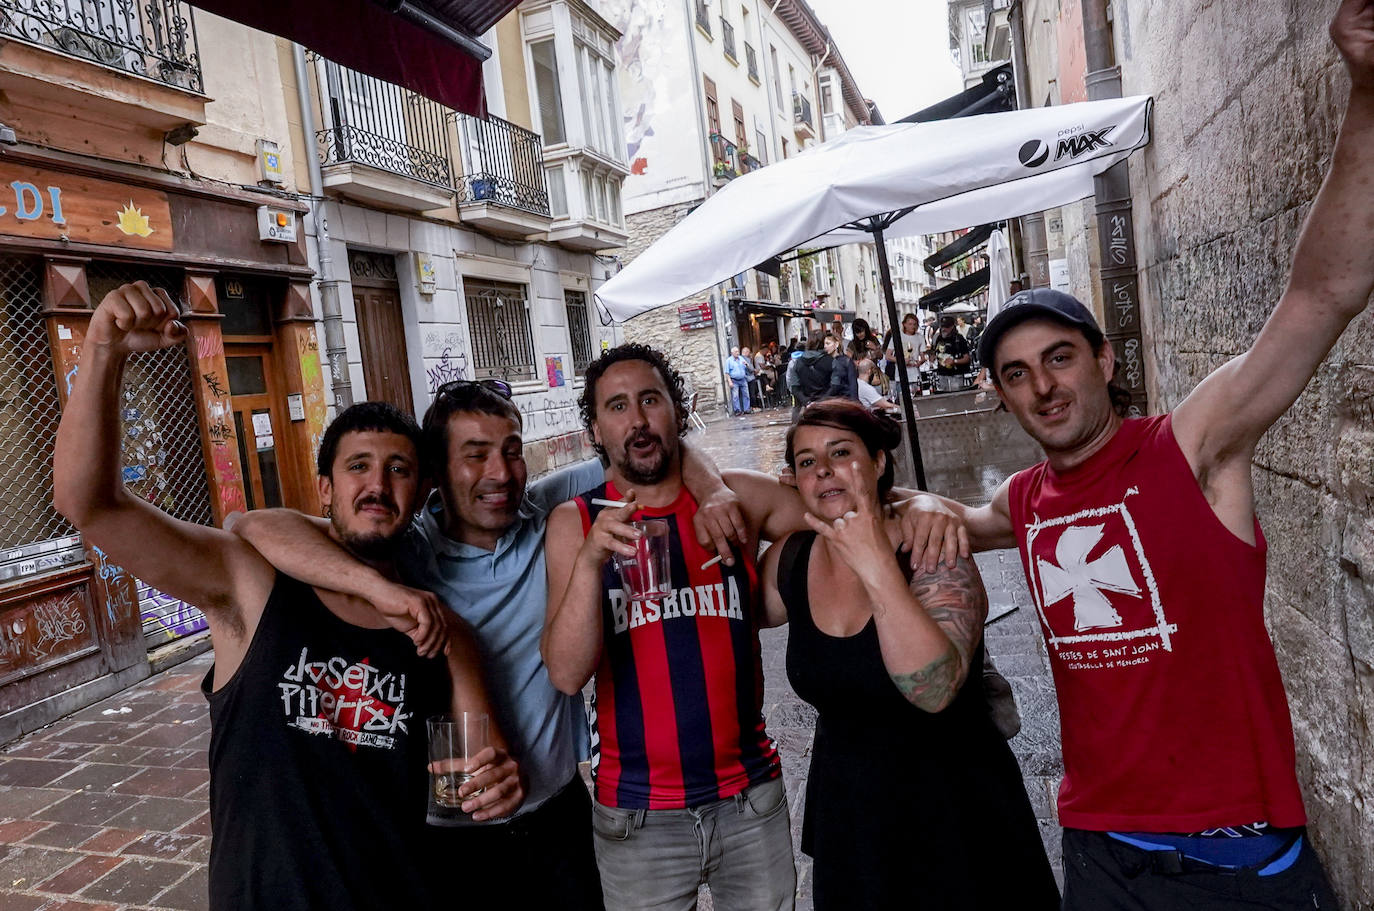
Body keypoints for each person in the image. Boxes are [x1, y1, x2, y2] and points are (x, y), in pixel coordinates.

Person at [937, 7, 1374, 900]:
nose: (1043, 387)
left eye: (1060, 357)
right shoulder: (1023, 503)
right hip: (1100, 855)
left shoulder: (1194, 445)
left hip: (1237, 858)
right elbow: (949, 521)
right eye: (1016, 374)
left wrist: (1367, 92)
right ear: (1002, 393)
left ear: (1104, 359)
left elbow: (1324, 292)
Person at [52, 284, 524, 910]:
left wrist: (495, 785)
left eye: (399, 469)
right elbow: (90, 505)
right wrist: (104, 348)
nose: (377, 484)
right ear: (324, 490)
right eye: (358, 466)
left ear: (422, 493)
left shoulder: (442, 632)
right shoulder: (251, 588)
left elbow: (469, 781)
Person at [232, 379, 748, 909]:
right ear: (434, 476)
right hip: (449, 833)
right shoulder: (403, 548)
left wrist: (713, 491)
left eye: (511, 451)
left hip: (558, 817)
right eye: (475, 456)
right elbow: (254, 524)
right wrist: (378, 587)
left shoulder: (548, 514)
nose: (501, 474)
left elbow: (649, 452)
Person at [541, 344, 967, 911]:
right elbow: (568, 675)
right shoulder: (577, 523)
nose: (638, 420)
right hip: (637, 814)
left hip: (751, 801)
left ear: (678, 410)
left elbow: (846, 501)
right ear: (595, 427)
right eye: (617, 407)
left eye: (651, 400)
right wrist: (593, 561)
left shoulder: (740, 500)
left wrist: (923, 507)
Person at [759, 400, 1058, 909]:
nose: (824, 470)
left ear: (878, 462)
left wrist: (876, 560)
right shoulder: (791, 557)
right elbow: (722, 494)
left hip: (958, 818)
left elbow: (934, 690)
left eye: (840, 452)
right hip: (852, 821)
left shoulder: (936, 549)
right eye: (807, 461)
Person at [793, 332, 834, 409]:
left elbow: (795, 388)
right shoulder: (831, 360)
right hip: (828, 404)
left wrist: (807, 402)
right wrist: (823, 400)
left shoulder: (798, 362)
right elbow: (835, 385)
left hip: (809, 406)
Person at [931, 315, 973, 380]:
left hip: (956, 374)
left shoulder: (959, 338)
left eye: (947, 327)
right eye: (942, 326)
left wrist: (954, 361)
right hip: (942, 374)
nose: (944, 329)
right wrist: (933, 357)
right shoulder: (939, 338)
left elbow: (967, 358)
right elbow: (935, 352)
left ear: (952, 326)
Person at [825, 335, 859, 400]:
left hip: (845, 399)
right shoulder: (825, 361)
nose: (825, 346)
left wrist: (854, 401)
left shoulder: (846, 361)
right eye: (824, 344)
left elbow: (853, 384)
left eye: (828, 343)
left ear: (836, 344)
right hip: (831, 399)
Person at [724, 347, 751, 416]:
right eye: (736, 352)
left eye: (738, 351)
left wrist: (747, 365)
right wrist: (729, 381)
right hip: (734, 380)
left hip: (743, 379)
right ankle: (737, 410)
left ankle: (746, 409)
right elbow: (727, 373)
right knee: (735, 396)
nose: (737, 353)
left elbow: (747, 368)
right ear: (732, 353)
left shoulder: (741, 358)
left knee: (746, 395)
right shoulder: (729, 361)